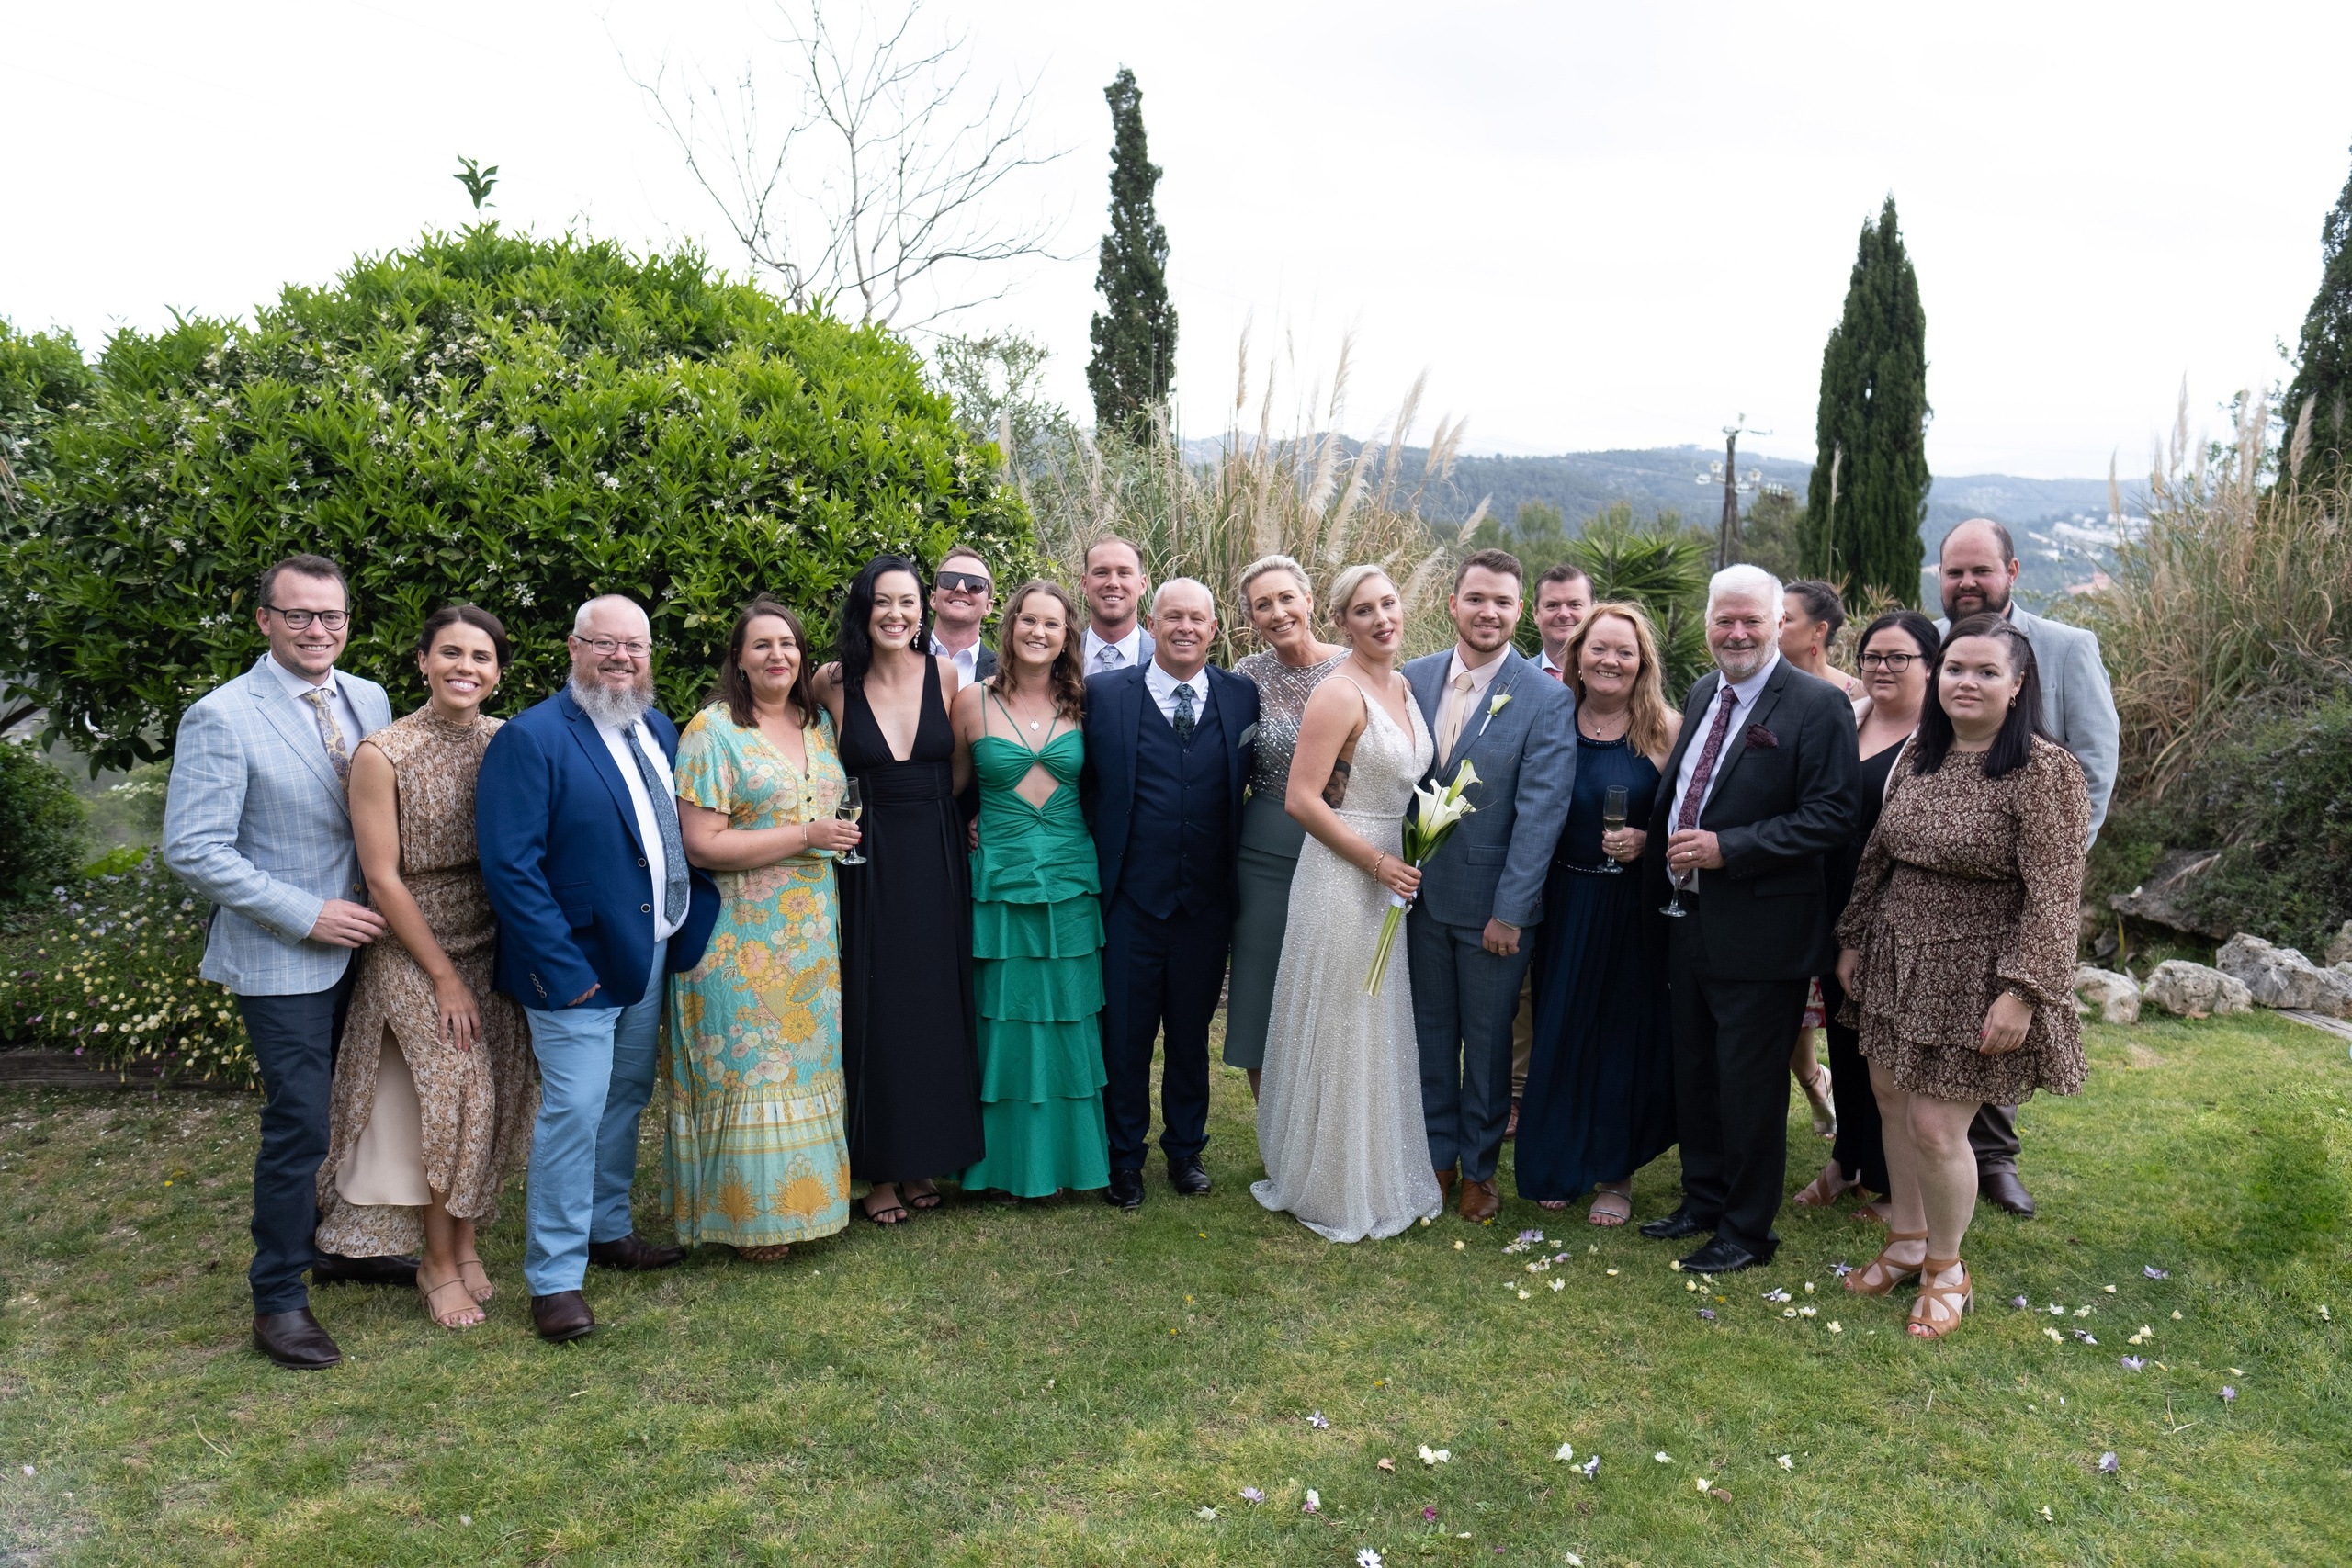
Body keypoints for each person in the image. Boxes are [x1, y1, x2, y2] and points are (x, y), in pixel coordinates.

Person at [163, 554, 396, 1369]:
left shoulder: (369, 697)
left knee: (357, 1107)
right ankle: (279, 1299)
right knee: (299, 1121)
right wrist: (308, 913)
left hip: (369, 946)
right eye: (298, 615)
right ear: (264, 619)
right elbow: (192, 847)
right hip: (281, 956)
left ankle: (337, 1246)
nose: (317, 630)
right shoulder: (223, 716)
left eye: (331, 616)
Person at [1835, 615, 2091, 1339]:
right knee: (1889, 1096)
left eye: (1984, 671)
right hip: (1897, 951)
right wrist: (1853, 937)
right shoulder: (1922, 752)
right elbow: (1880, 854)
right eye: (1954, 669)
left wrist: (2023, 991)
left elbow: (2055, 894)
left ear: (2017, 684)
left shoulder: (2045, 771)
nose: (1965, 682)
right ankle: (1908, 1240)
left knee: (1936, 1122)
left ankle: (1947, 1267)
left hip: (1980, 969)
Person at [477, 594, 720, 1342]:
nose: (621, 657)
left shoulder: (656, 725)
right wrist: (560, 970)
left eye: (635, 647)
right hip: (574, 966)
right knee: (574, 1109)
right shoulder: (532, 738)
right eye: (605, 644)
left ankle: (607, 1227)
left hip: (648, 951)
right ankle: (553, 1278)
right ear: (573, 647)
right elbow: (512, 868)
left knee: (625, 1094)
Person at [314, 604, 534, 1332]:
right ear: (422, 662)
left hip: (491, 936)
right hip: (412, 947)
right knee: (456, 1089)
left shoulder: (508, 742)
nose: (465, 667)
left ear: (498, 673)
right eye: (451, 653)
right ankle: (435, 1264)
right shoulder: (385, 752)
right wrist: (442, 974)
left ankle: (465, 1243)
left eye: (481, 657)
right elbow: (382, 878)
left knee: (491, 1095)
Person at [1639, 564, 1860, 1273]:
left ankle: (1747, 1229)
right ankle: (1702, 1201)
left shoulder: (1816, 705)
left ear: (1778, 625)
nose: (1736, 633)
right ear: (1708, 622)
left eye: (1752, 621)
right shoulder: (1707, 690)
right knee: (1695, 1069)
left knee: (1749, 1083)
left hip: (1764, 929)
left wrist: (1727, 848)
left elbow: (1832, 815)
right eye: (1724, 620)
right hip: (1688, 916)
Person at [1251, 566, 1443, 1241]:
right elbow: (1301, 797)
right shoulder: (1338, 692)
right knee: (1339, 1014)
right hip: (1343, 870)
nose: (1382, 618)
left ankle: (1375, 1165)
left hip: (1393, 869)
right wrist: (1377, 862)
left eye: (1389, 603)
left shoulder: (1406, 686)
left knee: (1375, 1019)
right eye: (1364, 611)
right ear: (1341, 622)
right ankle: (1327, 1177)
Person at [1935, 517, 2120, 1218]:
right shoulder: (1933, 643)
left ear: (2012, 572)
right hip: (1944, 873)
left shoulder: (2067, 649)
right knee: (1949, 1017)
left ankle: (1995, 1158)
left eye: (1981, 570)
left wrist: (2059, 864)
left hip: (2031, 873)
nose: (1968, 583)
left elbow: (2098, 760)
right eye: (1955, 572)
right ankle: (1933, 1151)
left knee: (2004, 1012)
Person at [667, 599, 861, 1261]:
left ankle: (811, 1203)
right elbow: (701, 844)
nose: (777, 655)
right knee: (748, 1066)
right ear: (738, 660)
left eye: (787, 644)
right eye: (761, 646)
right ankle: (750, 1218)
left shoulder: (819, 725)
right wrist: (806, 835)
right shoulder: (711, 731)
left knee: (805, 1062)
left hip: (811, 927)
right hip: (738, 932)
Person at [1403, 549, 1575, 1223]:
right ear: (1453, 604)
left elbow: (1541, 812)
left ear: (1519, 609)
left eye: (1503, 601)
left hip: (1494, 913)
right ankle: (1435, 1159)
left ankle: (1480, 1168)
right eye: (1477, 598)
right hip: (1416, 897)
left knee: (1489, 1044)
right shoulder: (1412, 678)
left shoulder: (1546, 698)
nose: (1489, 612)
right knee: (1429, 1036)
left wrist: (1512, 910)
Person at [1080, 578, 1259, 1208]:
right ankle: (1122, 1158)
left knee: (1189, 1035)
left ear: (1215, 629)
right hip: (1130, 899)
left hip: (1205, 902)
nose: (1186, 627)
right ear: (1151, 622)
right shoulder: (1104, 694)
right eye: (1174, 616)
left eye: (1199, 618)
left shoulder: (1241, 697)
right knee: (1125, 1037)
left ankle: (1186, 1150)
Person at [816, 558, 983, 1225]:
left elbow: (962, 768)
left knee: (933, 999)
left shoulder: (946, 676)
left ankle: (923, 1156)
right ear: (863, 609)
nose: (896, 614)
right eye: (882, 602)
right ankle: (877, 1168)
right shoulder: (831, 682)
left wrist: (963, 823)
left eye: (907, 603)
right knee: (874, 999)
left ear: (923, 611)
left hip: (937, 850)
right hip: (868, 853)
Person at [1515, 603, 1680, 1225]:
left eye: (1625, 651)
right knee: (1558, 1026)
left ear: (1643, 664)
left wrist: (1647, 843)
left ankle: (1617, 1172)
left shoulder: (1664, 729)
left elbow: (1692, 820)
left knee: (1620, 1035)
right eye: (1599, 648)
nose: (1611, 660)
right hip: (1561, 899)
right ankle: (1557, 1158)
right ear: (1575, 654)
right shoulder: (1552, 717)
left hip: (1630, 907)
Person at [954, 581, 1108, 1200]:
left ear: (1067, 634)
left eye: (1052, 623)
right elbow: (953, 788)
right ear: (1009, 625)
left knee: (1069, 1012)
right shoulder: (970, 702)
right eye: (1027, 620)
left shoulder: (1087, 703)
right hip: (998, 876)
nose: (1038, 632)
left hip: (1070, 875)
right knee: (1002, 1015)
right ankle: (994, 1163)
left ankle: (1073, 1161)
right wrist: (965, 822)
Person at [1792, 610, 1939, 1222]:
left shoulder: (1938, 742)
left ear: (1929, 666)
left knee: (1887, 1051)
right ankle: (1845, 1159)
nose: (1882, 667)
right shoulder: (1846, 718)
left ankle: (1892, 1184)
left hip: (1896, 914)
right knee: (1845, 1041)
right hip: (1830, 901)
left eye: (1899, 657)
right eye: (1873, 656)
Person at [1226, 556, 1348, 1100]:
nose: (1277, 613)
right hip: (1263, 851)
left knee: (1334, 992)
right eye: (1262, 605)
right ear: (1251, 617)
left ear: (1309, 600)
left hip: (1341, 847)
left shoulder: (1355, 667)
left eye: (1286, 599)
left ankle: (1331, 1126)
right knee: (1260, 990)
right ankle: (1275, 1135)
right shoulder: (1246, 676)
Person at [1510, 562, 1595, 1134]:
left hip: (1591, 859)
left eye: (1575, 606)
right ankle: (1518, 1093)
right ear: (1534, 614)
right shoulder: (1514, 682)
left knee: (1575, 977)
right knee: (1517, 984)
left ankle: (1573, 1087)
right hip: (1521, 855)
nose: (1564, 615)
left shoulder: (1614, 675)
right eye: (1553, 606)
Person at [1777, 579, 1857, 1141]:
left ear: (1818, 631)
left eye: (1783, 618)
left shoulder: (1855, 697)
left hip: (1837, 882)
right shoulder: (1757, 691)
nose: (1770, 626)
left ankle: (1844, 1121)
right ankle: (1814, 1084)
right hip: (1774, 876)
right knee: (1786, 1018)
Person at [1080, 536, 1156, 677]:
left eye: (1124, 573)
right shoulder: (1059, 656)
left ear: (1142, 585)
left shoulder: (1164, 656)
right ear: (1084, 584)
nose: (1113, 583)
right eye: (1102, 573)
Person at [930, 546, 998, 690]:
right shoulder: (897, 657)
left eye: (975, 584)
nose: (960, 588)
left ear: (988, 606)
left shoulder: (1004, 675)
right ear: (933, 599)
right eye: (949, 579)